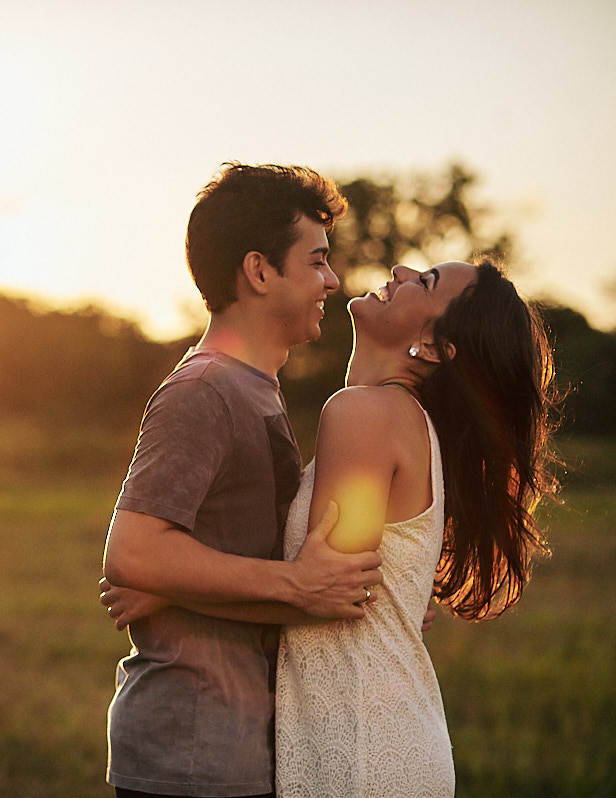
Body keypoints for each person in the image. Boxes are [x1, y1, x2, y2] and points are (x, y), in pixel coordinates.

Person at [103, 259, 559, 797]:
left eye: (426, 282)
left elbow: (324, 596)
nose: (402, 268)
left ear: (435, 346)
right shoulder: (396, 419)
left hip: (363, 745)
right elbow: (327, 589)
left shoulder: (364, 413)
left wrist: (168, 591)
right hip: (368, 731)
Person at [101, 163, 385, 798]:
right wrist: (297, 584)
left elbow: (211, 557)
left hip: (236, 749)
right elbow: (133, 552)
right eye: (316, 262)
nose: (332, 282)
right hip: (190, 756)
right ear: (260, 271)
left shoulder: (255, 390)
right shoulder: (204, 391)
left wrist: (177, 591)